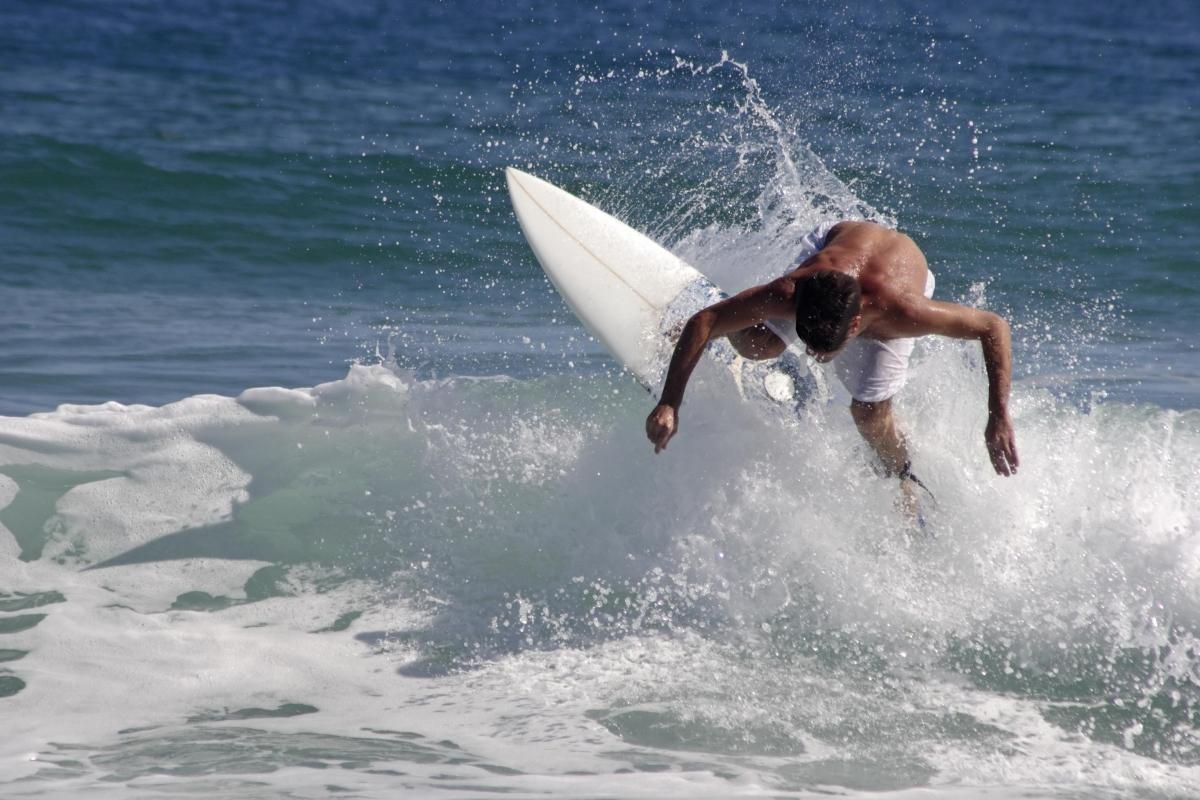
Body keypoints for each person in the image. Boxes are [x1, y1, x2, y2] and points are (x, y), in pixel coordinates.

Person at [644, 220, 1019, 494]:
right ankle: (734, 320)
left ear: (857, 324)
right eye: (809, 344)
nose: (813, 356)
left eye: (822, 349)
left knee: (870, 414)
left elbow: (993, 326)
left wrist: (998, 415)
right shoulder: (791, 290)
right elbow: (705, 319)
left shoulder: (906, 313)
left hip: (896, 278)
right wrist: (669, 402)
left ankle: (903, 478)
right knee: (758, 346)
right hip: (835, 250)